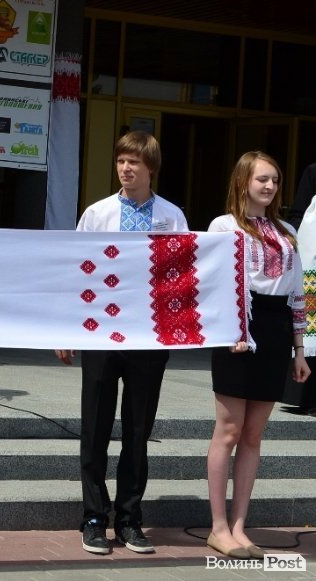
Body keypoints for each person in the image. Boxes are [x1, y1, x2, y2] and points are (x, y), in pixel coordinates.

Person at [55, 131, 187, 555]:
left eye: (134, 162)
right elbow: (76, 271)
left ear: (151, 168)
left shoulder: (172, 216)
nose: (126, 169)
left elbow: (182, 276)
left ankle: (130, 518)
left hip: (148, 336)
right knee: (94, 427)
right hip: (99, 331)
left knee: (137, 430)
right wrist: (66, 329)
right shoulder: (97, 213)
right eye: (121, 161)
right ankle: (94, 517)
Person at [205, 151, 309, 560]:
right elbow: (213, 285)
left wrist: (300, 351)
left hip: (275, 329)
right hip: (237, 329)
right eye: (262, 179)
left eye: (275, 180)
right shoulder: (224, 226)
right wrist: (231, 329)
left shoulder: (287, 231)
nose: (269, 186)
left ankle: (239, 526)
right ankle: (217, 527)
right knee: (228, 431)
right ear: (242, 181)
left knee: (253, 435)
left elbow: (298, 294)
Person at [282, 161, 316, 414]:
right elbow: (298, 212)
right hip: (312, 261)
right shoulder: (314, 172)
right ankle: (308, 397)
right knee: (311, 328)